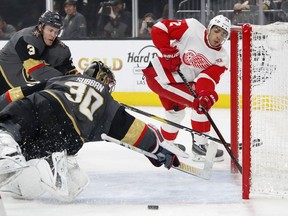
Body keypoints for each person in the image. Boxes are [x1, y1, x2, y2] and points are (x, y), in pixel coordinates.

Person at [0, 61, 180, 201]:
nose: (109, 86)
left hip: (44, 102)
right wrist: (157, 150)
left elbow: (17, 93)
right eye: (109, 81)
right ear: (102, 78)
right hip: (68, 133)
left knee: (11, 127)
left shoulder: (63, 79)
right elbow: (134, 131)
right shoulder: (108, 104)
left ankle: (7, 148)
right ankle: (54, 161)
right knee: (50, 146)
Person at [142, 15, 231, 162]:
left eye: (223, 34)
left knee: (177, 112)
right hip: (159, 75)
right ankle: (200, 147)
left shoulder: (221, 58)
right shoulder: (192, 27)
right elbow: (159, 28)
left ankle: (165, 144)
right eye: (216, 30)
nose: (218, 36)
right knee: (198, 103)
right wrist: (167, 51)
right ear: (209, 28)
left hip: (176, 82)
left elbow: (206, 79)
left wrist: (205, 94)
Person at [0, 10, 79, 95]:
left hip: (17, 90)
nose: (53, 35)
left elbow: (70, 71)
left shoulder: (61, 50)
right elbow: (37, 71)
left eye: (56, 32)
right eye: (50, 30)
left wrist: (81, 81)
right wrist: (65, 81)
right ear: (41, 27)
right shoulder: (26, 38)